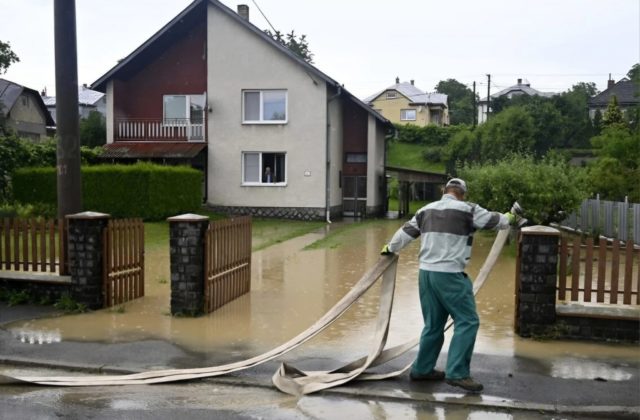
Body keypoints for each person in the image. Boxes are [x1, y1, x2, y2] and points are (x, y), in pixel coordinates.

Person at [380, 178, 515, 393]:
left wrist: (390, 248)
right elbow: (495, 221)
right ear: (462, 193)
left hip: (426, 274)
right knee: (468, 321)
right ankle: (458, 373)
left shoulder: (426, 210)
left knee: (433, 325)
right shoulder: (468, 209)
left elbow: (404, 234)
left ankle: (422, 370)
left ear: (445, 191)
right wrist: (509, 217)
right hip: (450, 275)